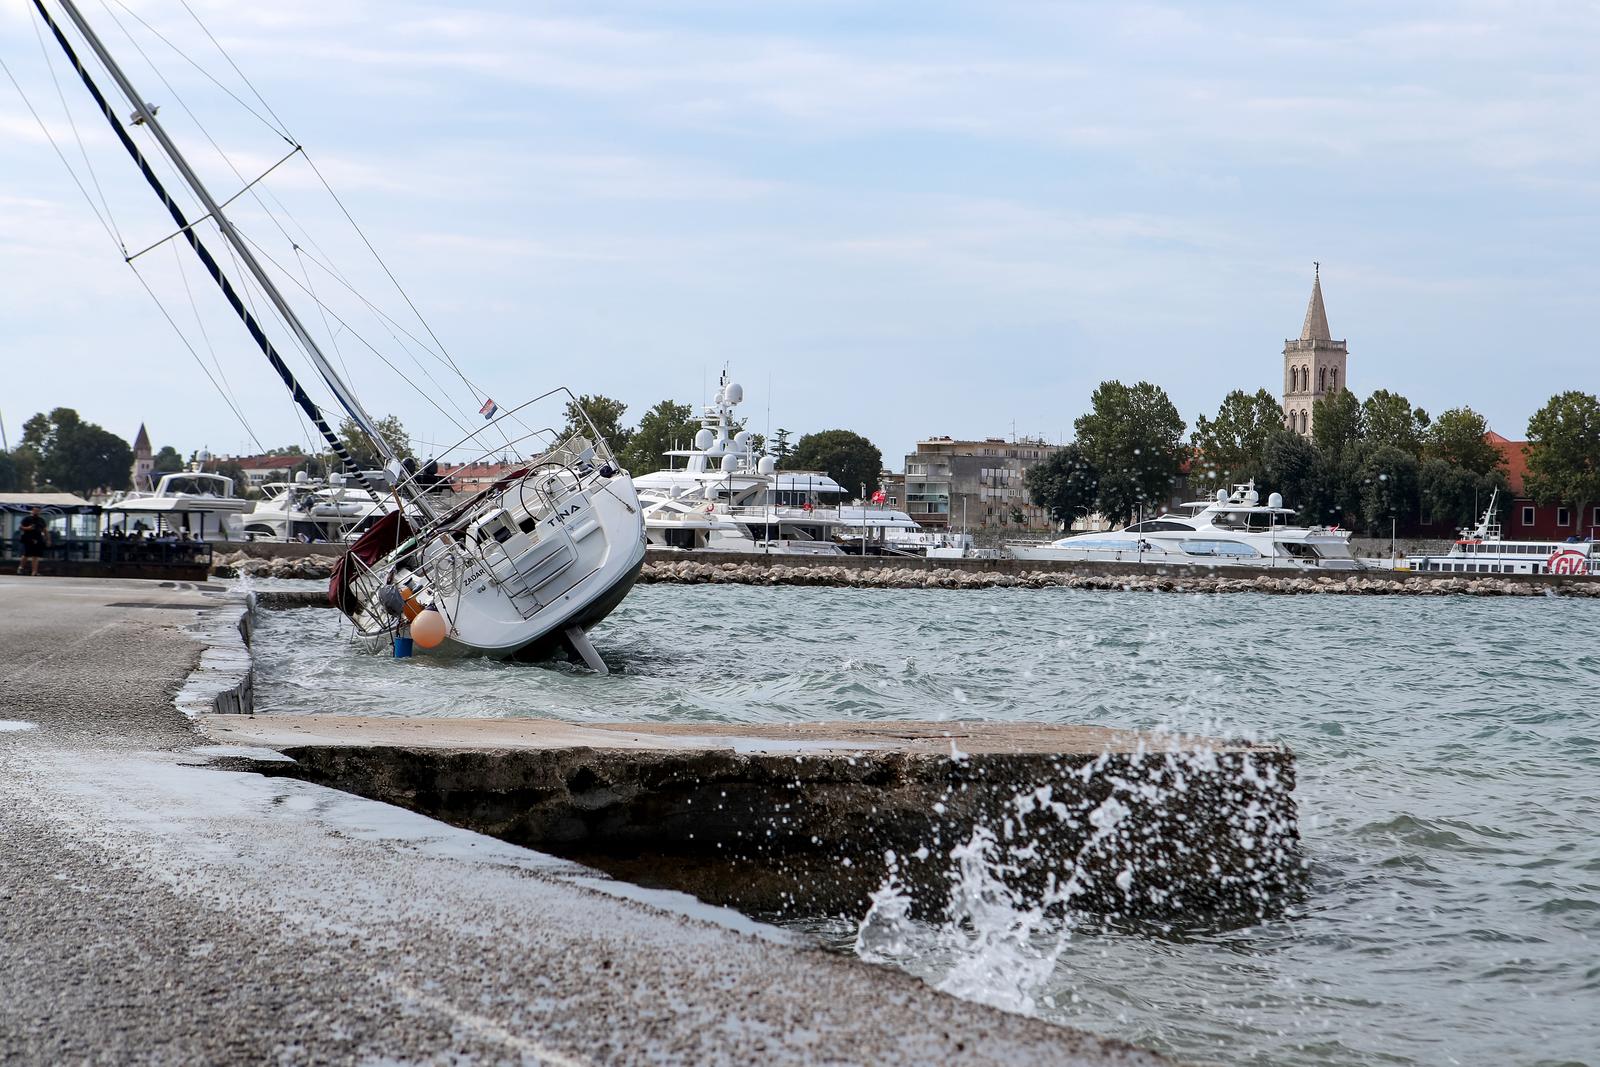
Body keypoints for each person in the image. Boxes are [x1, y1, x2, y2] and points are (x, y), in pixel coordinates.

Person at [16, 507, 50, 576]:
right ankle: (20, 568)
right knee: (26, 554)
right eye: (35, 510)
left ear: (40, 512)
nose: (36, 512)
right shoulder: (27, 518)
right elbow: (20, 527)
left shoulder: (41, 520)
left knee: (36, 555)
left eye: (38, 511)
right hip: (28, 538)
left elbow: (45, 530)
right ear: (32, 511)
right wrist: (28, 528)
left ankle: (34, 572)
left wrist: (48, 539)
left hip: (38, 538)